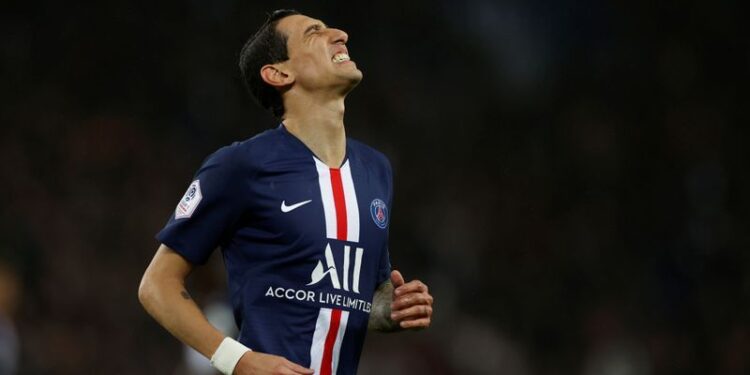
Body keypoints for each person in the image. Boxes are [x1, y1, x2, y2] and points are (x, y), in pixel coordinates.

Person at [138, 9, 434, 375]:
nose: (340, 33)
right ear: (279, 73)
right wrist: (238, 360)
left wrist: (387, 310)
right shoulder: (241, 165)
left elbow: (345, 297)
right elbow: (157, 285)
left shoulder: (376, 170)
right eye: (314, 33)